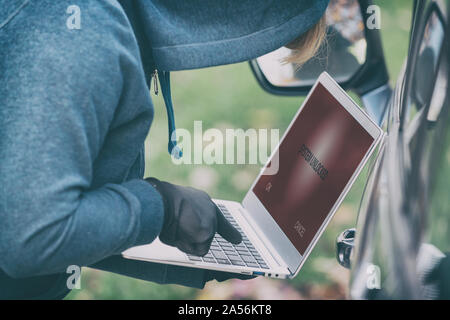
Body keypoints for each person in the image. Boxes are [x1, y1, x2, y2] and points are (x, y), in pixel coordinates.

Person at [0, 0, 328, 299]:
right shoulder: (81, 28)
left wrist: (164, 237)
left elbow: (36, 208)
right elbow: (31, 238)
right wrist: (161, 208)